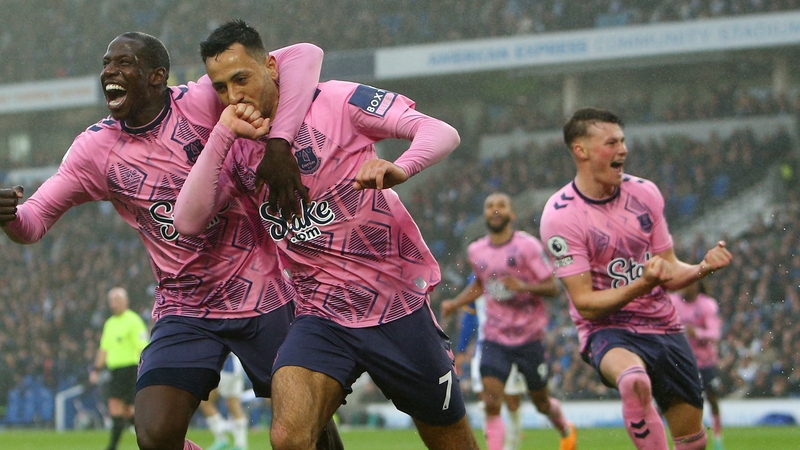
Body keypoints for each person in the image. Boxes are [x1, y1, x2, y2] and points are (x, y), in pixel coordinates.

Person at [0, 32, 342, 450]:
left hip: (265, 294)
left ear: (157, 76)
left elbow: (304, 55)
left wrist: (279, 142)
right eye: (107, 63)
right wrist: (10, 218)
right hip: (184, 306)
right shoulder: (94, 150)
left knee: (309, 431)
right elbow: (32, 222)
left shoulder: (201, 100)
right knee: (154, 436)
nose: (109, 71)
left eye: (124, 63)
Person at [174, 19, 479, 450]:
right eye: (222, 87)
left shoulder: (336, 100)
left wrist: (400, 167)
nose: (234, 95)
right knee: (288, 438)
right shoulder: (238, 141)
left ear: (272, 67)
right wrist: (222, 134)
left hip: (395, 307)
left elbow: (440, 131)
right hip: (320, 314)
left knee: (452, 442)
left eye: (241, 78)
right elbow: (188, 220)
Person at [539, 107, 732, 450]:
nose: (623, 150)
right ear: (580, 150)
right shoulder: (561, 215)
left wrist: (702, 268)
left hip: (664, 327)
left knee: (693, 443)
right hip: (609, 330)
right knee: (634, 382)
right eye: (611, 142)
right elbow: (585, 304)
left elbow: (668, 271)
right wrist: (643, 283)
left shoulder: (645, 194)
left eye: (623, 141)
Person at [441, 193, 577, 450]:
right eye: (489, 205)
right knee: (491, 403)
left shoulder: (527, 246)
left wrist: (523, 286)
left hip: (528, 337)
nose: (495, 209)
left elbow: (552, 287)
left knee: (541, 402)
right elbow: (481, 285)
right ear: (485, 214)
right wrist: (456, 303)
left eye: (501, 205)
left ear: (512, 214)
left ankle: (564, 427)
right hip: (495, 338)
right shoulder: (476, 250)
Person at [452, 294, 529, 450]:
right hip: (485, 350)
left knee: (513, 401)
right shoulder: (476, 278)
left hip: (513, 346)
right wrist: (461, 350)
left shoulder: (515, 272)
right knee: (487, 402)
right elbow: (470, 316)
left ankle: (512, 445)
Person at [89, 287, 149, 450]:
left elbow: (142, 346)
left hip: (130, 370)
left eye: (116, 301)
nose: (113, 304)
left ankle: (151, 437)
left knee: (126, 409)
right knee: (119, 409)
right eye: (111, 301)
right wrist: (96, 369)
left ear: (125, 302)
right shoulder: (109, 324)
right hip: (115, 372)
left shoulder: (134, 321)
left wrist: (142, 370)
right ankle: (147, 438)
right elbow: (104, 349)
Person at [668, 281, 726, 450]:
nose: (685, 287)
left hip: (705, 362)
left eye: (690, 284)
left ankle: (717, 439)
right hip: (682, 362)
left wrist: (697, 333)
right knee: (682, 403)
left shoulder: (707, 304)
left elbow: (715, 334)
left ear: (697, 286)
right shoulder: (673, 302)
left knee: (712, 398)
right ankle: (681, 440)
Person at [198, 354, 249, 450]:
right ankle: (241, 445)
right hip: (237, 367)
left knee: (205, 401)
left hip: (225, 367)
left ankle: (221, 438)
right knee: (234, 405)